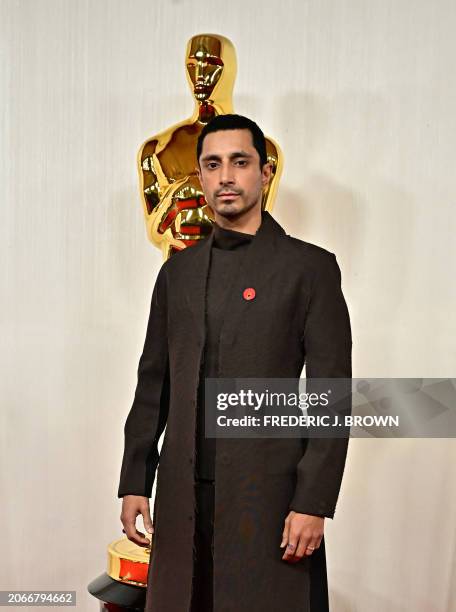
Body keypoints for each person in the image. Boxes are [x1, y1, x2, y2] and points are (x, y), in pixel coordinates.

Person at [118, 114, 352, 612]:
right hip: (183, 500)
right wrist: (136, 478)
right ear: (200, 177)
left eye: (240, 162)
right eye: (213, 164)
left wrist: (313, 501)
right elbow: (152, 383)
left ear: (265, 174)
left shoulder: (309, 269)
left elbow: (333, 395)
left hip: (267, 500)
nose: (226, 175)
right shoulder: (176, 274)